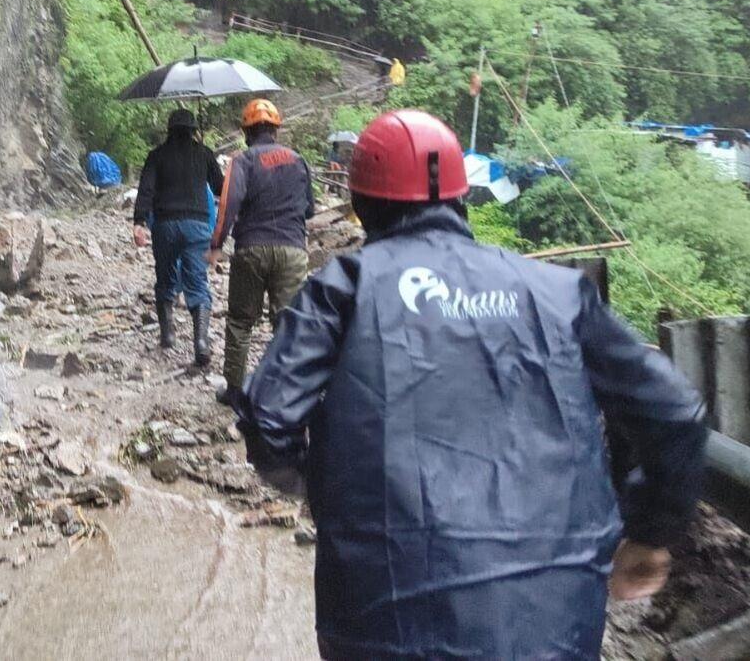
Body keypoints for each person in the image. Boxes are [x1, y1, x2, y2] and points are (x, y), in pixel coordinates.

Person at [235, 109, 707, 660]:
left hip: (383, 614)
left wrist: (319, 489)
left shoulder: (343, 288)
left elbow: (270, 418)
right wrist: (649, 533)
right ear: (463, 198)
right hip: (553, 617)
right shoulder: (558, 293)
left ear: (362, 206)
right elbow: (676, 415)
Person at [207, 98, 315, 404]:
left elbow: (228, 206)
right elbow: (309, 209)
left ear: (247, 132)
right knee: (288, 321)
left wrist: (216, 245)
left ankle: (236, 391)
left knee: (241, 321)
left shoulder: (242, 161)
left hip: (252, 249)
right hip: (293, 250)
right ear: (276, 130)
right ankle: (288, 390)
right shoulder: (298, 160)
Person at [132, 108, 226, 366]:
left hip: (165, 225)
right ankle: (201, 342)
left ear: (170, 130)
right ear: (194, 130)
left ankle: (168, 334)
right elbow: (221, 187)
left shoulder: (156, 156)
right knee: (197, 281)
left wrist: (139, 221)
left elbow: (146, 190)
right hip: (197, 225)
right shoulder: (204, 154)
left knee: (165, 276)